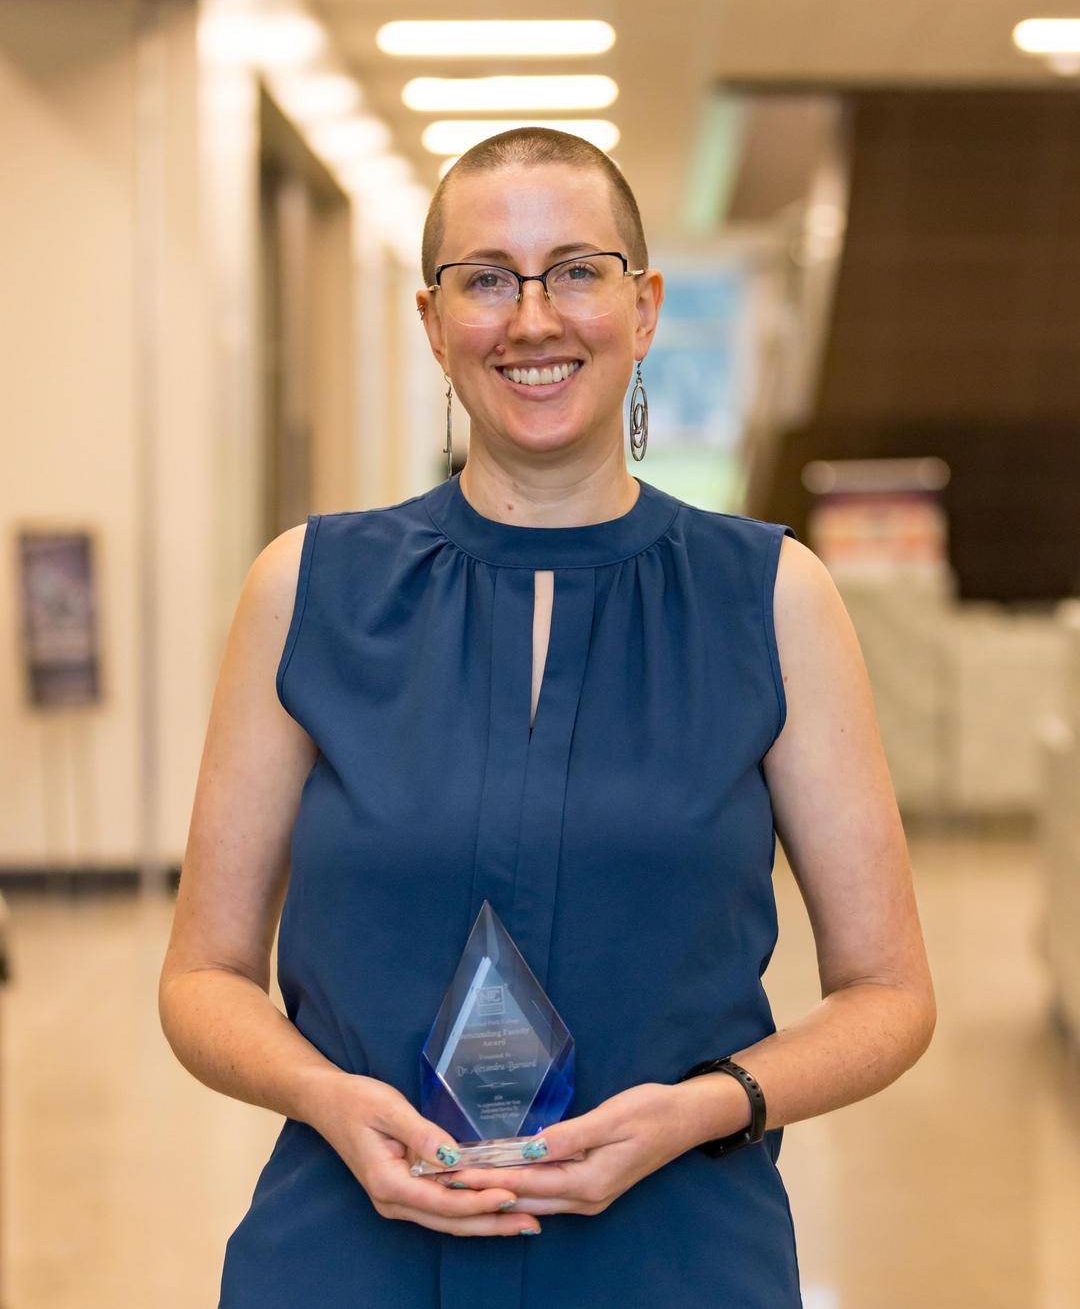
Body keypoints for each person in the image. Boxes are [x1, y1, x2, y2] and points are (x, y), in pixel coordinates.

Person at [159, 127, 936, 1308]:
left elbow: (889, 994)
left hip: (673, 1255)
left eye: (577, 270)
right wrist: (328, 1098)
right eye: (487, 279)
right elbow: (203, 978)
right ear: (433, 321)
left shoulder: (771, 599)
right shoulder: (306, 591)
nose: (533, 319)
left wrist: (705, 1107)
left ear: (645, 305)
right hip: (349, 1252)